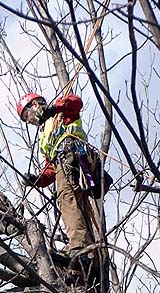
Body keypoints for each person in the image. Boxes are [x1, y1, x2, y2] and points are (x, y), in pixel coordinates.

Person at [17, 92, 108, 260]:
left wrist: (53, 109)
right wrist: (37, 179)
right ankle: (89, 251)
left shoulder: (59, 114)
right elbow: (51, 169)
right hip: (65, 163)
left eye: (26, 116)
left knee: (67, 199)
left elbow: (76, 102)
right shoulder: (44, 137)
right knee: (77, 204)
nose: (28, 121)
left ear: (35, 105)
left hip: (72, 157)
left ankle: (79, 247)